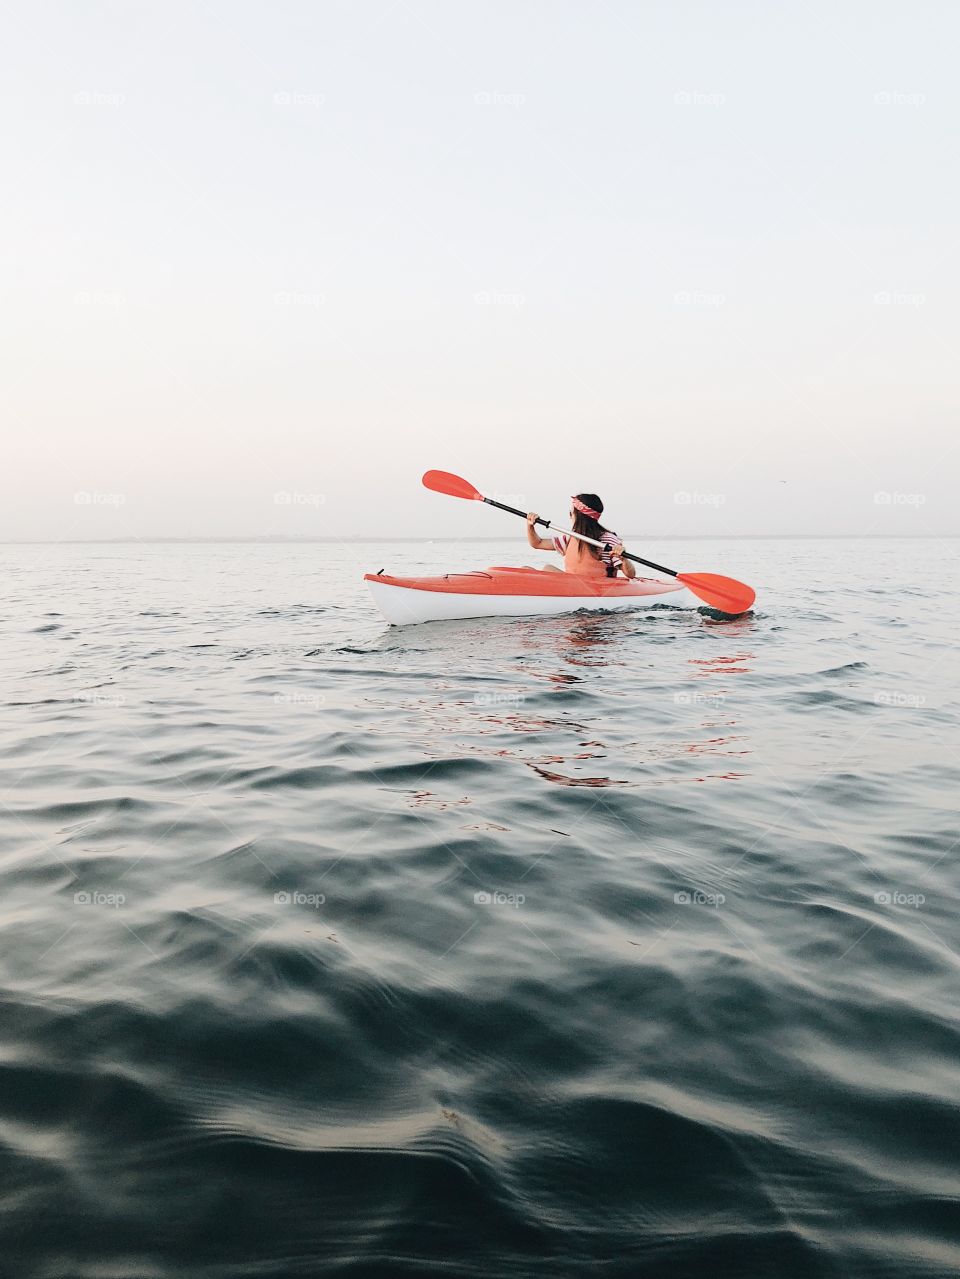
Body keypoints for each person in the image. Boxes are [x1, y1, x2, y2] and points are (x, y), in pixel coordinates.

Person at [525, 494, 636, 578]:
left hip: (596, 589)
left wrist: (624, 559)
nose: (570, 515)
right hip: (572, 586)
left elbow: (630, 574)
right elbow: (537, 543)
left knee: (547, 568)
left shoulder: (608, 540)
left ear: (578, 516)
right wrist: (530, 526)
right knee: (526, 569)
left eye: (571, 512)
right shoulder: (570, 538)